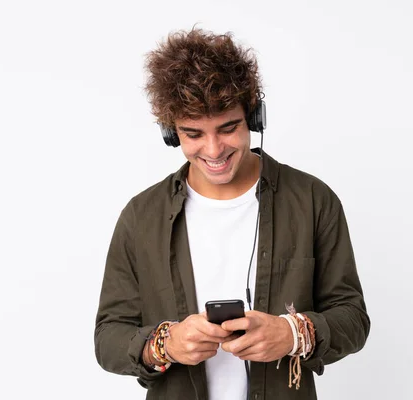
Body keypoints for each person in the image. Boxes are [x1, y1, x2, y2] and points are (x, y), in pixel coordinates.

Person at [94, 28, 370, 400]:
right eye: (193, 134)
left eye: (228, 128)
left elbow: (353, 318)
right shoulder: (141, 216)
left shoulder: (312, 200)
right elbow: (109, 337)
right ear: (171, 133)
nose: (213, 149)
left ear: (253, 117)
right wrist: (167, 344)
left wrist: (291, 333)